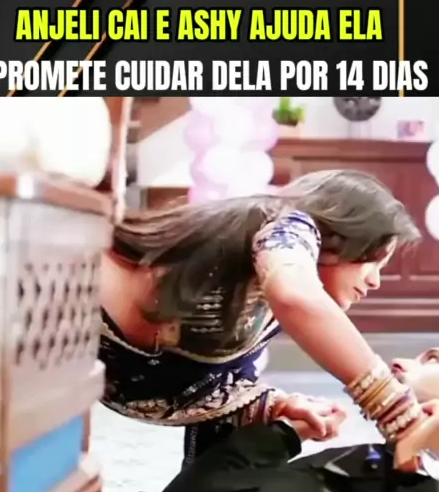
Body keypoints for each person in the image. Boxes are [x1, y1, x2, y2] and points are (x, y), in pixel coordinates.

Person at [98, 169, 423, 465]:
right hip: (71, 288)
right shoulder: (289, 223)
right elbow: (296, 297)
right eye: (374, 261)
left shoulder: (259, 307)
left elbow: (198, 397)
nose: (375, 281)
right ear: (343, 234)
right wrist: (397, 411)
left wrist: (273, 406)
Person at [63, 349, 439, 492]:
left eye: (433, 358)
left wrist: (411, 464)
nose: (399, 361)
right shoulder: (370, 457)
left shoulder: (409, 478)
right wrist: (283, 435)